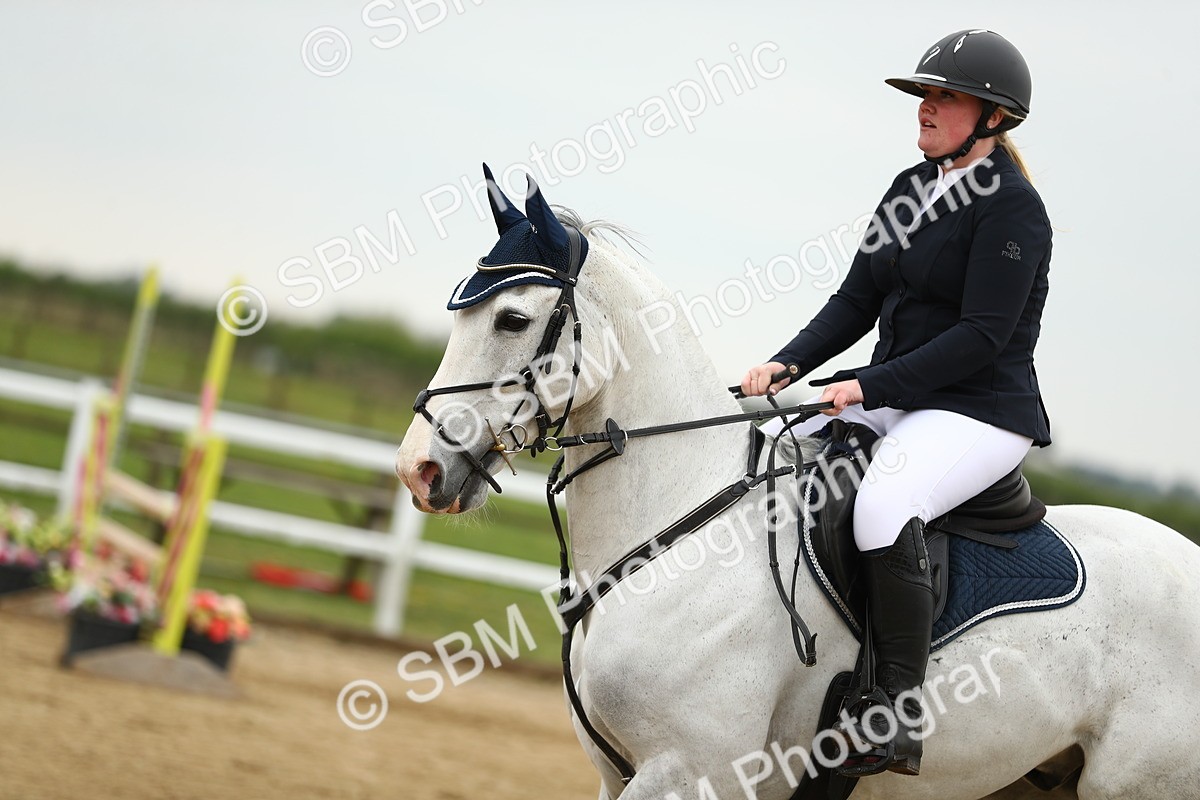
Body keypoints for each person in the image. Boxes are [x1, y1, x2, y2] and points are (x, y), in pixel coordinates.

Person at [740, 29, 1052, 777]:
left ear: (993, 117)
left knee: (881, 505)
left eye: (945, 96)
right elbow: (857, 297)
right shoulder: (910, 188)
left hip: (979, 410)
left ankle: (893, 712)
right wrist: (790, 363)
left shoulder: (1014, 213)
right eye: (925, 94)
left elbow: (981, 336)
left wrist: (869, 387)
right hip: (902, 393)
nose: (927, 107)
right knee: (781, 452)